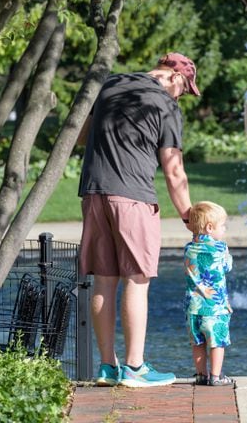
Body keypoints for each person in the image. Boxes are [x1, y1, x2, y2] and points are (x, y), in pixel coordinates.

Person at [78, 52, 200, 388]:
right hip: (133, 197)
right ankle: (134, 368)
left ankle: (106, 367)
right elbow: (174, 171)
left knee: (103, 279)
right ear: (175, 77)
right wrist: (189, 217)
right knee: (137, 278)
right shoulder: (163, 103)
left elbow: (81, 137)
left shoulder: (111, 84)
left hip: (93, 193)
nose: (182, 97)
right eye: (185, 89)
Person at [183, 201, 234, 386]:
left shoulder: (188, 248)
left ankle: (201, 375)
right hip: (215, 306)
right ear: (210, 227)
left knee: (197, 342)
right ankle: (215, 376)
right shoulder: (220, 248)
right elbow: (227, 267)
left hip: (193, 307)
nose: (224, 229)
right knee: (216, 341)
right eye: (222, 225)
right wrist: (227, 253)